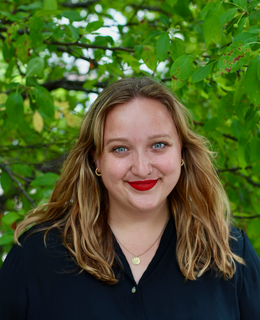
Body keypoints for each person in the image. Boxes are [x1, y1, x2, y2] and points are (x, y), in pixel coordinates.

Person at [0, 77, 259, 320]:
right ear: (96, 158)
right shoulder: (37, 254)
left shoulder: (230, 253)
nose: (142, 168)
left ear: (182, 151)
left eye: (158, 145)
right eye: (120, 148)